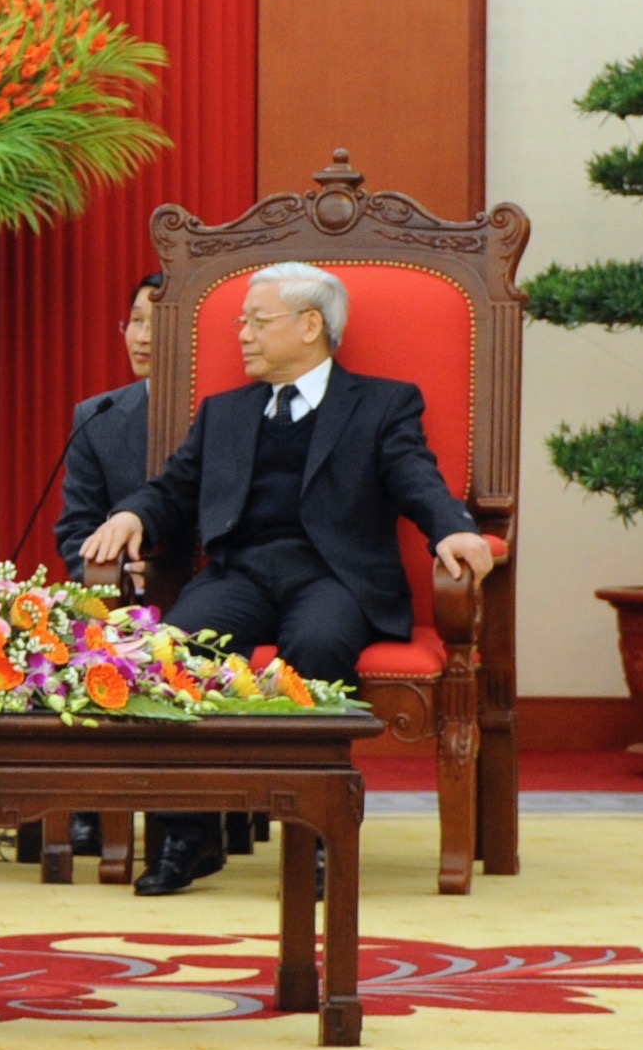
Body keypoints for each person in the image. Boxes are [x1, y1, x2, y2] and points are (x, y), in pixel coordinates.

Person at [81, 261, 494, 895]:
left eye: (257, 321)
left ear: (309, 326)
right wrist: (133, 511)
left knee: (320, 646)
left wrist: (452, 528)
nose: (242, 334)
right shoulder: (226, 412)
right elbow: (175, 488)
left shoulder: (381, 404)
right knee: (177, 644)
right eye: (241, 321)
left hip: (334, 577)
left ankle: (315, 832)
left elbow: (416, 476)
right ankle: (188, 834)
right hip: (240, 574)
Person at [54, 272, 170, 582]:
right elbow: (77, 529)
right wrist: (116, 574)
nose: (142, 337)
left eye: (156, 324)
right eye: (136, 321)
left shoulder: (227, 411)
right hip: (129, 596)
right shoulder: (96, 417)